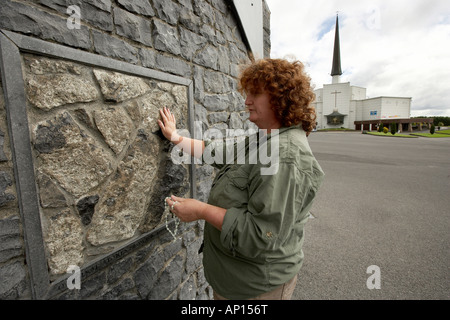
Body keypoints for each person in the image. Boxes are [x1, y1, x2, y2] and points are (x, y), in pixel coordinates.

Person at [157, 58, 324, 300]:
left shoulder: (285, 156)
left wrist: (201, 211)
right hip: (235, 281)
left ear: (281, 98)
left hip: (255, 289)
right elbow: (215, 151)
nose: (246, 101)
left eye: (255, 93)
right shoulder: (264, 139)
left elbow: (261, 235)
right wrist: (175, 137)